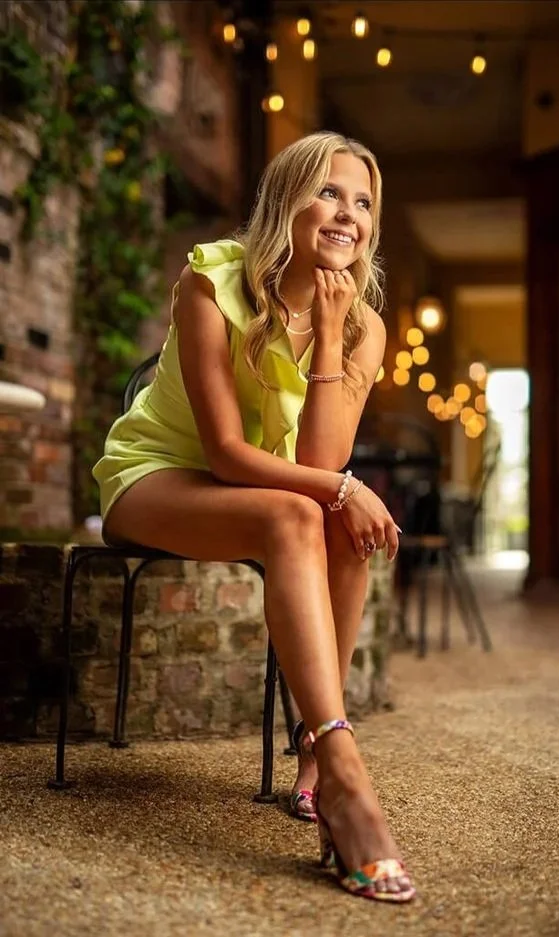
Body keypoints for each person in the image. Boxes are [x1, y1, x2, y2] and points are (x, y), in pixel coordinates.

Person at [91, 131, 410, 902]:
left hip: (268, 494)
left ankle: (317, 756)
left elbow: (322, 460)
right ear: (288, 200)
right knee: (306, 515)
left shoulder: (363, 325)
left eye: (362, 202)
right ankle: (344, 770)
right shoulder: (214, 282)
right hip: (156, 478)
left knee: (325, 519)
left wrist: (332, 336)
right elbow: (229, 455)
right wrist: (340, 488)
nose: (347, 215)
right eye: (329, 192)